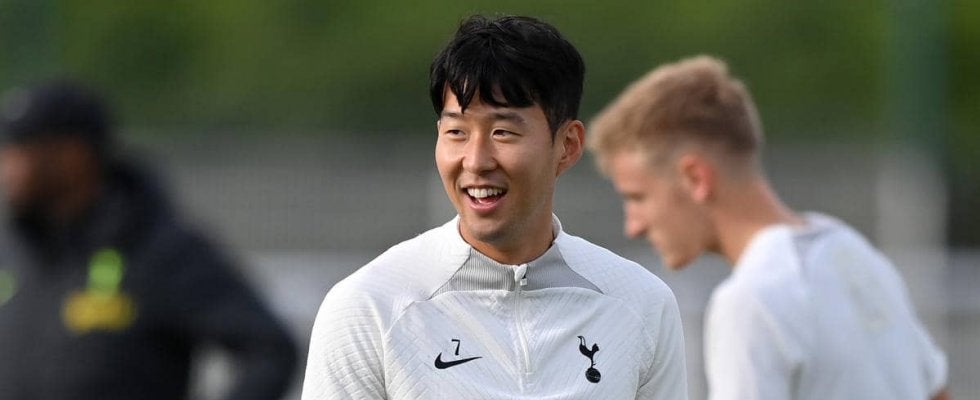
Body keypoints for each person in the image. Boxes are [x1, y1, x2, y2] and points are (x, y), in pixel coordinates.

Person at [302, 15, 687, 399]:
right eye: (457, 132)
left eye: (503, 132)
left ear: (567, 145)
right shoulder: (369, 307)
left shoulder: (640, 304)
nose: (475, 161)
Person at [588, 55, 950, 400]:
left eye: (637, 197)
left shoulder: (750, 301)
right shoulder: (852, 250)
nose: (633, 226)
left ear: (695, 178)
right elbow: (936, 390)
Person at [0, 80, 298, 399]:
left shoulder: (160, 248)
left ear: (73, 155)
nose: (5, 167)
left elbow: (268, 350)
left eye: (18, 150)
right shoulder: (11, 248)